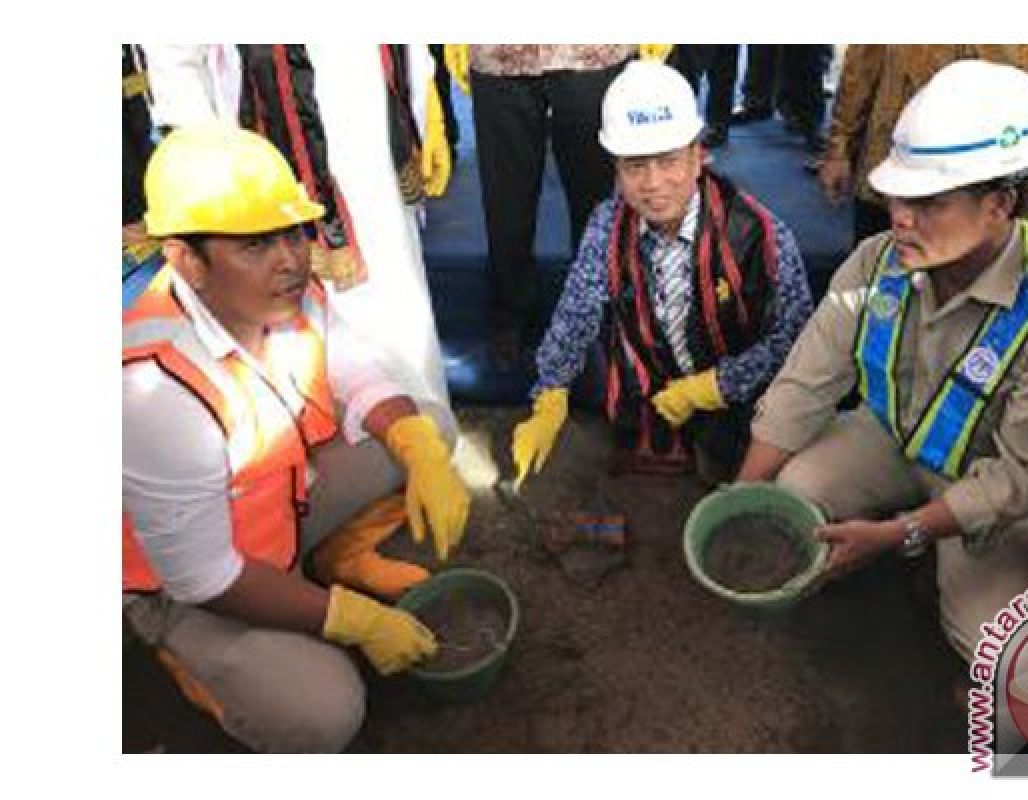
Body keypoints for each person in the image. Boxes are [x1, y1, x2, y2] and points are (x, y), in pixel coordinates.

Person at [123, 126, 471, 752]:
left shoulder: (286, 291)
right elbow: (205, 576)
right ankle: (191, 663)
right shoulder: (154, 391)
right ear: (186, 260)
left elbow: (356, 370)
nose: (290, 258)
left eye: (294, 232)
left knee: (425, 423)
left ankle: (336, 560)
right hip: (184, 589)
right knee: (326, 709)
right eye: (256, 244)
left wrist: (418, 447)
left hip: (276, 512)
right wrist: (348, 618)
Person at [740, 60, 1028, 663]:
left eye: (928, 202)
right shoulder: (876, 261)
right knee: (792, 493)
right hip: (888, 436)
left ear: (998, 204)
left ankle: (926, 557)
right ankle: (909, 548)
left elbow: (1023, 477)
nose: (899, 218)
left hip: (987, 481)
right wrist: (742, 494)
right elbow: (806, 383)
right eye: (896, 197)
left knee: (1002, 651)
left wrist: (902, 533)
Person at [510, 60, 813, 489]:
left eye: (668, 161)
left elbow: (798, 341)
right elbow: (577, 310)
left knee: (750, 465)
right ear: (614, 167)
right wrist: (551, 391)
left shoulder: (760, 234)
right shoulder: (608, 223)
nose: (652, 184)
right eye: (634, 166)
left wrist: (715, 387)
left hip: (745, 399)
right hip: (655, 392)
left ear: (697, 156)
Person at [142, 44, 454, 412]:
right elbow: (174, 58)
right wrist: (210, 165)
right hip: (270, 176)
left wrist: (422, 86)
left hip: (380, 150)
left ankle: (422, 436)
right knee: (312, 348)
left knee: (400, 311)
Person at [443, 44, 641, 362]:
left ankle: (599, 308)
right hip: (500, 52)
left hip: (591, 49)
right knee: (505, 194)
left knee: (594, 196)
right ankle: (509, 312)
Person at [819, 45, 1028, 242]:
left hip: (1005, 167)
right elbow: (864, 58)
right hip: (895, 162)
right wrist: (839, 147)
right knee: (881, 284)